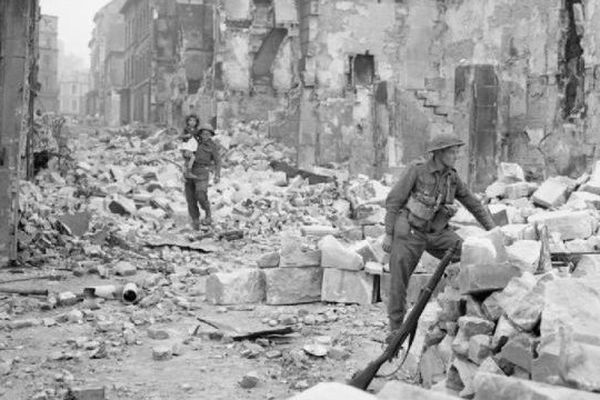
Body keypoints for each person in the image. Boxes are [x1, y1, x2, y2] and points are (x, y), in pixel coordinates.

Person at [382, 133, 496, 335]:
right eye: (451, 152)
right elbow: (394, 201)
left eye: (456, 152)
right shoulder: (417, 171)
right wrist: (388, 235)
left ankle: (471, 309)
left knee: (471, 255)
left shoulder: (452, 177)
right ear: (438, 154)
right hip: (409, 232)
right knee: (398, 283)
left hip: (436, 233)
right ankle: (396, 331)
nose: (456, 156)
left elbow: (473, 204)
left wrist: (494, 231)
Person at [182, 122, 221, 229]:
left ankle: (208, 213)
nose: (205, 136)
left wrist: (217, 175)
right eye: (203, 134)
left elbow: (218, 161)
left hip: (202, 171)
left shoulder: (212, 146)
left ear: (211, 135)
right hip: (189, 171)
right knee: (190, 198)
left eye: (208, 134)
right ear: (200, 134)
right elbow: (184, 152)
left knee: (200, 194)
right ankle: (195, 219)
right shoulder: (193, 142)